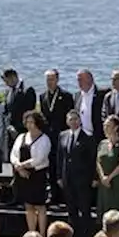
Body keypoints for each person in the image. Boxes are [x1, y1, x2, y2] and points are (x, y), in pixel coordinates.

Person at [56, 110, 97, 237]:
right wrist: (59, 176)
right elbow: (60, 157)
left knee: (84, 211)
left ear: (80, 121)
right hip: (68, 179)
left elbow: (92, 160)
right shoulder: (63, 136)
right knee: (71, 211)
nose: (73, 121)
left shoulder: (88, 137)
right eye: (70, 119)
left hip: (83, 180)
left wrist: (94, 177)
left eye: (75, 119)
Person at [11, 111, 53, 234]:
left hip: (37, 175)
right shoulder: (21, 137)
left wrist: (22, 165)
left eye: (32, 122)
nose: (29, 125)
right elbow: (13, 154)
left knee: (39, 206)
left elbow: (39, 158)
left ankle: (42, 233)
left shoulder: (44, 139)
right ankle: (31, 232)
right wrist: (18, 167)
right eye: (27, 122)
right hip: (22, 175)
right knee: (28, 205)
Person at [38, 69, 75, 204]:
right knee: (51, 166)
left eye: (52, 79)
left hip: (62, 135)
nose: (49, 82)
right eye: (47, 79)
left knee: (63, 165)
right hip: (49, 137)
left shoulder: (66, 96)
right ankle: (53, 194)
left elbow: (70, 116)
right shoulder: (42, 96)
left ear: (57, 80)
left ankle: (66, 195)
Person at [95, 115, 119, 215]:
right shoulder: (102, 143)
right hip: (104, 181)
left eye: (108, 126)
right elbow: (97, 162)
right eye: (104, 125)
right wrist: (102, 177)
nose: (105, 128)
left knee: (116, 211)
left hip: (115, 180)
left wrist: (109, 178)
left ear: (116, 128)